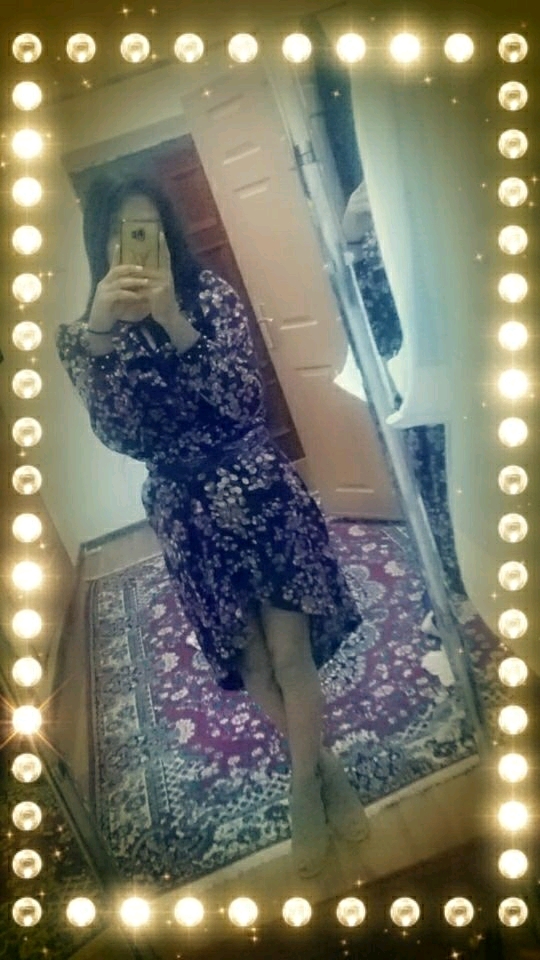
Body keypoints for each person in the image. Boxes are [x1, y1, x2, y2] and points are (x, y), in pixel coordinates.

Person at [56, 175, 369, 877]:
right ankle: (322, 767)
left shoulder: (211, 298)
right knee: (251, 659)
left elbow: (241, 398)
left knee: (291, 653)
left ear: (167, 233)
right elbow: (120, 435)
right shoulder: (83, 337)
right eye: (121, 233)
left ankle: (303, 794)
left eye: (147, 228)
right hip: (185, 513)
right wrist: (101, 337)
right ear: (100, 244)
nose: (137, 244)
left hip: (258, 490)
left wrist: (175, 321)